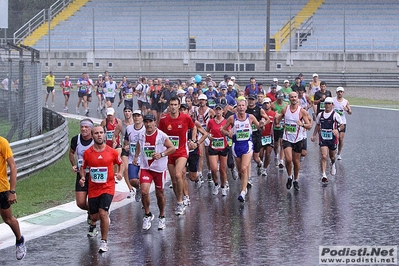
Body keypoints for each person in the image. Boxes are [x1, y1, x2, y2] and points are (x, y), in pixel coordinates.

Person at [80, 126, 123, 253]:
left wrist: (120, 173)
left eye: (101, 133)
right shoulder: (88, 153)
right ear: (92, 136)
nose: (99, 135)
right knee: (94, 217)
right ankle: (102, 220)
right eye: (96, 133)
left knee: (103, 212)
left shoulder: (112, 152)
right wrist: (82, 177)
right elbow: (83, 166)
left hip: (108, 187)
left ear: (104, 135)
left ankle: (104, 242)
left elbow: (121, 163)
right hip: (93, 188)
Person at [133, 113, 176, 230]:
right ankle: (147, 215)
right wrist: (136, 157)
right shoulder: (141, 135)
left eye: (150, 122)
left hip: (159, 169)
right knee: (144, 191)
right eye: (146, 122)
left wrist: (161, 154)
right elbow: (138, 145)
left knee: (159, 194)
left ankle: (162, 216)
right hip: (146, 168)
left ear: (155, 123)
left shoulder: (161, 136)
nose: (148, 124)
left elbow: (172, 148)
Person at [158, 96, 196, 215]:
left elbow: (193, 127)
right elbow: (159, 134)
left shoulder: (185, 117)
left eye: (175, 105)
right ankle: (179, 199)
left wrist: (193, 140)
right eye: (171, 105)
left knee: (178, 174)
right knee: (174, 181)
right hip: (169, 153)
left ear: (179, 106)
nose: (173, 107)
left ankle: (180, 203)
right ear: (169, 106)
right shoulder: (164, 120)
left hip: (181, 152)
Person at [221, 97, 263, 202]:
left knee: (244, 168)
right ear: (236, 107)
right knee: (240, 171)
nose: (241, 107)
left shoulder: (251, 117)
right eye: (239, 105)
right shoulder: (232, 118)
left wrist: (262, 125)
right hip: (236, 146)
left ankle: (243, 192)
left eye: (243, 105)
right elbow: (222, 130)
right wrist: (228, 133)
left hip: (247, 145)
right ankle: (244, 184)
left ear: (246, 107)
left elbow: (259, 127)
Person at [275, 92, 312, 191]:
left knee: (296, 161)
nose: (294, 98)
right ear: (289, 98)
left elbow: (309, 126)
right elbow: (277, 121)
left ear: (298, 99)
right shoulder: (285, 109)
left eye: (295, 97)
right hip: (287, 138)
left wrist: (302, 125)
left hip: (298, 139)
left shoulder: (302, 111)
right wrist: (277, 119)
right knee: (288, 159)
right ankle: (289, 177)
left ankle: (295, 180)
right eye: (292, 97)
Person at [0, 136, 27, 260]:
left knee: (8, 219)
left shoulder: (2, 142)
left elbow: (13, 166)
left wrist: (12, 191)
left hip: (1, 189)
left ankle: (19, 240)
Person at [311, 97, 343, 183]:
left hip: (332, 138)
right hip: (323, 138)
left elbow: (342, 125)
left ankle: (333, 164)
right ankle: (324, 174)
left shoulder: (335, 115)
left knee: (332, 156)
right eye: (326, 103)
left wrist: (337, 130)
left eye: (329, 103)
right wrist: (314, 135)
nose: (327, 105)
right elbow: (317, 125)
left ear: (332, 105)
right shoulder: (320, 115)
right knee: (324, 155)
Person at [206, 104, 230, 196]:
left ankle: (223, 186)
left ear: (223, 111)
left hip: (223, 147)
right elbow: (207, 132)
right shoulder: (211, 122)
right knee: (214, 168)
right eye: (217, 110)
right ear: (215, 111)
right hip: (213, 147)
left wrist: (224, 132)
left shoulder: (226, 121)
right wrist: (209, 136)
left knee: (222, 169)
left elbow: (230, 132)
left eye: (220, 110)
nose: (218, 111)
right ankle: (216, 184)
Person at [246, 94, 271, 180]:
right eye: (249, 99)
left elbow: (268, 119)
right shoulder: (244, 109)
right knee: (247, 156)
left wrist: (262, 124)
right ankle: (248, 178)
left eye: (252, 99)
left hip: (256, 135)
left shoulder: (259, 110)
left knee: (256, 157)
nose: (251, 101)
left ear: (255, 101)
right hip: (246, 136)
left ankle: (260, 163)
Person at [123, 109, 145, 202]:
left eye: (138, 116)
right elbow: (126, 141)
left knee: (142, 179)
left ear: (142, 118)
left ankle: (145, 200)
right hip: (133, 158)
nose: (136, 118)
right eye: (135, 116)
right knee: (133, 180)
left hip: (144, 159)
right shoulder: (129, 129)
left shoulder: (145, 129)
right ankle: (138, 189)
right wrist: (126, 146)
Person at [195, 94, 215, 181]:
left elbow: (214, 121)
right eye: (200, 100)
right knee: (200, 154)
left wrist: (212, 132)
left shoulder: (210, 111)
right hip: (199, 133)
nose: (201, 101)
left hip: (207, 132)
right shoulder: (195, 110)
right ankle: (199, 173)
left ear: (206, 101)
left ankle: (210, 171)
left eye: (203, 100)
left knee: (208, 154)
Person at [333, 87, 352, 160]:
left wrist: (347, 110)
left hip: (342, 122)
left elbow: (350, 112)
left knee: (341, 138)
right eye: (338, 92)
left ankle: (339, 153)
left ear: (343, 93)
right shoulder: (333, 100)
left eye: (341, 92)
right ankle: (333, 149)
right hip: (334, 121)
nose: (340, 93)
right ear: (336, 92)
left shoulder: (346, 101)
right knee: (334, 137)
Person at [271, 91, 288, 170]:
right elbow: (270, 114)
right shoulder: (273, 104)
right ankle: (276, 155)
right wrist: (275, 115)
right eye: (279, 99)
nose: (280, 101)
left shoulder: (286, 104)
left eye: (281, 99)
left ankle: (281, 160)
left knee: (282, 143)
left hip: (283, 126)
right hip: (275, 126)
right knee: (276, 143)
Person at [259, 98, 275, 176]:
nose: (266, 105)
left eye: (267, 103)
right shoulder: (261, 113)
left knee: (268, 154)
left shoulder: (273, 113)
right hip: (261, 136)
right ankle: (260, 165)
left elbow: (277, 123)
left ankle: (264, 169)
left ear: (270, 103)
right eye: (264, 103)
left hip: (269, 136)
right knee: (261, 154)